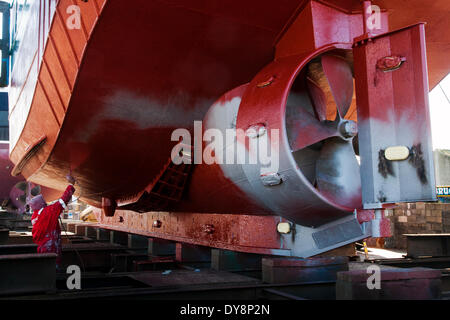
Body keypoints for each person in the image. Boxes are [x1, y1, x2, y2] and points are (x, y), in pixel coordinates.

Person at [29, 174, 76, 269]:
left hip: (42, 248)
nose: (46, 203)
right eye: (44, 202)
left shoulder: (35, 216)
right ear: (41, 204)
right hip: (51, 248)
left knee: (44, 267)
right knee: (52, 267)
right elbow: (63, 201)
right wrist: (71, 184)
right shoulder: (47, 212)